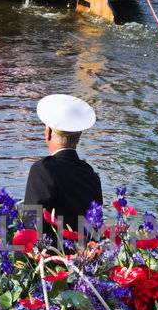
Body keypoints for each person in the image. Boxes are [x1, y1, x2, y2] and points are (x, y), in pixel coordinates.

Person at [23, 94, 103, 235]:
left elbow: (32, 225)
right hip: (85, 254)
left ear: (48, 133)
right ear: (78, 138)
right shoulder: (91, 175)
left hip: (50, 255)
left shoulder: (42, 170)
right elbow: (95, 227)